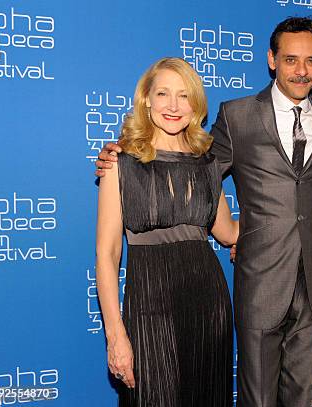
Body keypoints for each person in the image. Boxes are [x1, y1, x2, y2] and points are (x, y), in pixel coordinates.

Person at [95, 18, 312, 407]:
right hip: (260, 280)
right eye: (291, 59)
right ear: (271, 59)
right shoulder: (238, 115)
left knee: (306, 394)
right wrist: (123, 160)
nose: (301, 70)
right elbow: (193, 170)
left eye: (311, 61)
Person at [95, 57, 238, 406]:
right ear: (147, 100)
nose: (174, 106)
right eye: (163, 94)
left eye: (184, 95)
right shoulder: (121, 162)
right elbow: (107, 252)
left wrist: (283, 208)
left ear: (196, 105)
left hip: (209, 304)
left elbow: (228, 233)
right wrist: (116, 336)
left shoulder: (208, 163)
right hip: (149, 303)